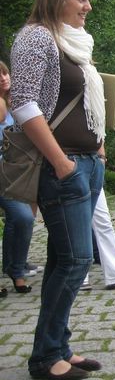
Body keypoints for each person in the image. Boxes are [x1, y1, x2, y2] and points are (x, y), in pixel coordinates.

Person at [11, 0, 106, 380]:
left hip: (85, 163)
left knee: (62, 260)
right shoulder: (35, 37)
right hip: (63, 165)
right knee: (76, 260)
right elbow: (24, 103)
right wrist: (63, 163)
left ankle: (58, 346)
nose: (88, 6)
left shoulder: (73, 45)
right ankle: (46, 357)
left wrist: (96, 152)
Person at [0, 60, 36, 296]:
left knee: (22, 218)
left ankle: (15, 269)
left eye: (4, 72)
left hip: (9, 172)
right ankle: (15, 272)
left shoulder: (13, 101)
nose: (3, 77)